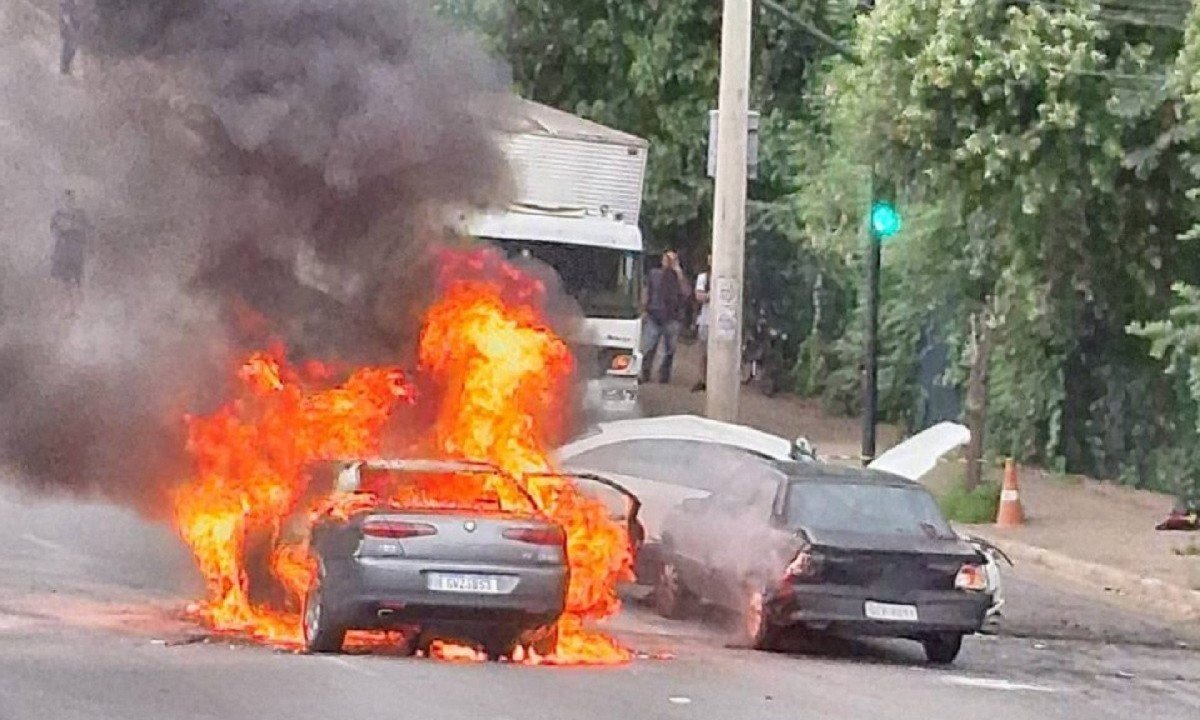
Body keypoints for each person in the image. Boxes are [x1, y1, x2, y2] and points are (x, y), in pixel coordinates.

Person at [640, 250, 690, 384]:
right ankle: (645, 372)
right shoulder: (654, 274)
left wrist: (678, 271)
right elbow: (647, 291)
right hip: (654, 314)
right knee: (648, 346)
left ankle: (664, 375)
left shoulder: (679, 277)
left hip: (673, 316)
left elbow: (686, 293)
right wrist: (644, 309)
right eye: (666, 258)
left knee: (670, 349)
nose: (667, 261)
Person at [50, 189, 90, 301]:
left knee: (77, 279)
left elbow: (85, 230)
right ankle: (66, 305)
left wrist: (72, 228)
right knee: (64, 280)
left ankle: (79, 304)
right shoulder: (58, 215)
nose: (68, 201)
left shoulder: (80, 214)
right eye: (66, 199)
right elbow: (54, 230)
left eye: (71, 199)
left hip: (75, 251)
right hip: (63, 251)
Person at [691, 253, 712, 393]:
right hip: (706, 319)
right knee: (704, 353)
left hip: (719, 321)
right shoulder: (704, 278)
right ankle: (703, 379)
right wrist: (710, 295)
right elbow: (699, 296)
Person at [59, 0, 79, 76]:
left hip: (75, 23)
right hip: (67, 25)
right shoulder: (66, 3)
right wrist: (68, 23)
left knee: (72, 47)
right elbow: (64, 10)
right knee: (67, 44)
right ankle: (64, 66)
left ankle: (66, 66)